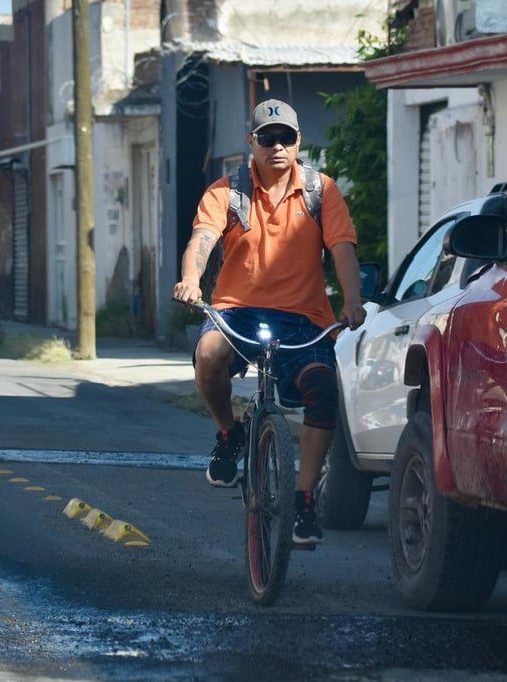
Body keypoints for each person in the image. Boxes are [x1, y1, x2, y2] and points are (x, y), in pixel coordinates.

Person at [173, 98, 366, 547]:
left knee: (323, 389)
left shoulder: (322, 191)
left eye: (286, 138)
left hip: (303, 317)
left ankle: (303, 503)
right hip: (238, 310)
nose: (277, 146)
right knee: (208, 355)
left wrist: (352, 302)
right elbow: (202, 239)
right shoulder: (227, 191)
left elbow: (342, 249)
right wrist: (189, 280)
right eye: (267, 138)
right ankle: (229, 432)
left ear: (298, 141)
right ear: (252, 142)